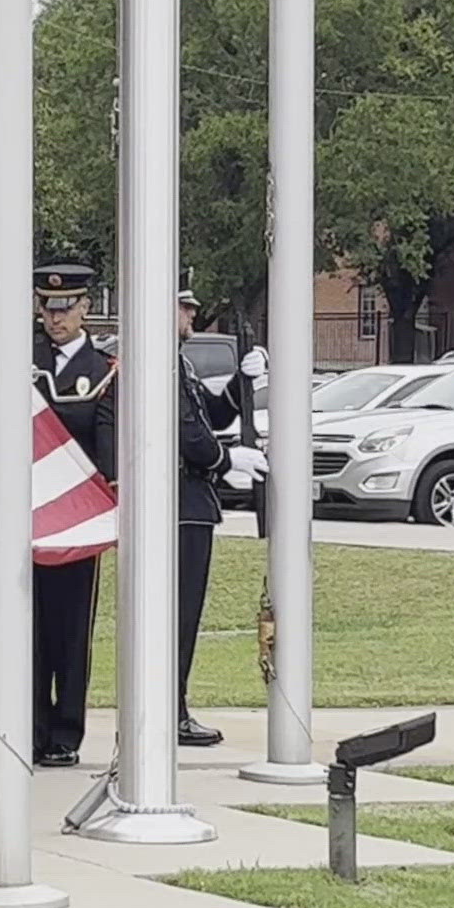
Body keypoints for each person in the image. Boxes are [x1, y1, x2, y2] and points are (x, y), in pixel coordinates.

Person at [29, 261, 117, 768]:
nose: (54, 317)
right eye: (47, 307)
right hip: (31, 512)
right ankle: (32, 724)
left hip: (78, 517)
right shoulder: (24, 361)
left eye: (64, 308)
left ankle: (66, 731)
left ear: (85, 308)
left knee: (71, 628)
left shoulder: (103, 370)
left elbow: (106, 447)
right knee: (29, 627)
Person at [174, 288, 267, 746]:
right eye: (183, 306)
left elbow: (207, 413)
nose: (192, 313)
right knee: (179, 615)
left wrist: (237, 385)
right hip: (179, 506)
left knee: (182, 617)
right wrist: (225, 462)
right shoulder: (160, 363)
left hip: (189, 503)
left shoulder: (180, 364)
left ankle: (175, 705)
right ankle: (171, 709)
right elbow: (189, 435)